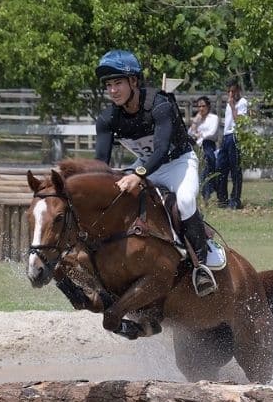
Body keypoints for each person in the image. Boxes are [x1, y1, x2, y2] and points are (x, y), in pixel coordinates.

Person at [93, 50, 217, 296]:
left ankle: (201, 266)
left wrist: (137, 175)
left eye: (118, 82)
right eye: (109, 85)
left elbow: (161, 150)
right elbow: (100, 164)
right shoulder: (108, 119)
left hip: (178, 163)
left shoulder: (160, 105)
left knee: (184, 201)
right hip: (145, 166)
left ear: (134, 82)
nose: (113, 90)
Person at [216, 80, 247, 209]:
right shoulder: (230, 103)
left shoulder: (242, 102)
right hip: (226, 136)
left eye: (233, 91)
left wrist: (233, 106)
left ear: (238, 90)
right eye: (228, 92)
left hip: (235, 136)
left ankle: (235, 200)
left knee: (235, 169)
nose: (231, 94)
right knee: (220, 168)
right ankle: (222, 199)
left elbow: (239, 121)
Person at [189, 95, 219, 203]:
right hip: (198, 147)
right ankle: (205, 193)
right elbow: (190, 133)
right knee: (201, 171)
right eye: (199, 106)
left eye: (203, 106)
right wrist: (195, 123)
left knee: (206, 170)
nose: (201, 109)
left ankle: (206, 195)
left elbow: (212, 132)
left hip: (208, 145)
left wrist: (199, 135)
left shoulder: (213, 118)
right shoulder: (198, 119)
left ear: (208, 106)